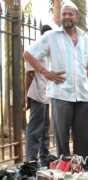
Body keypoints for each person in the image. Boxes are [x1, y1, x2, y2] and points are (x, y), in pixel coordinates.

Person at [23, 2, 88, 159]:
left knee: (84, 139)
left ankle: (83, 172)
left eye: (70, 13)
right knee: (62, 140)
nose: (67, 17)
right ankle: (64, 171)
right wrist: (46, 72)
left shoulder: (84, 37)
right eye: (64, 14)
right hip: (61, 95)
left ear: (76, 16)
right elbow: (28, 54)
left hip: (83, 95)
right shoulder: (51, 36)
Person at [25, 25, 52, 166]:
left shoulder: (50, 52)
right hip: (36, 94)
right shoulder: (35, 50)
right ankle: (31, 160)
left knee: (45, 129)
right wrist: (27, 97)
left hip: (46, 95)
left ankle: (44, 157)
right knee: (35, 128)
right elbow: (29, 75)